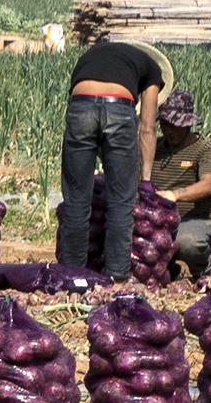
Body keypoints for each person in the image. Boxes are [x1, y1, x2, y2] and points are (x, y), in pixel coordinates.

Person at [56, 31, 172, 282]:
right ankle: (116, 277)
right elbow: (148, 126)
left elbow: (85, 110)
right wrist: (146, 178)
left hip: (81, 106)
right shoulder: (152, 69)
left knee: (76, 199)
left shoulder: (92, 55)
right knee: (121, 200)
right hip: (119, 109)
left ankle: (70, 275)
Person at [151, 89, 211, 276]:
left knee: (188, 243)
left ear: (188, 124)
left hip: (192, 221)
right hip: (154, 219)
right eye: (165, 123)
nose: (169, 129)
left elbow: (209, 185)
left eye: (175, 125)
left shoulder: (206, 149)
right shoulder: (153, 147)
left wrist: (174, 195)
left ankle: (204, 268)